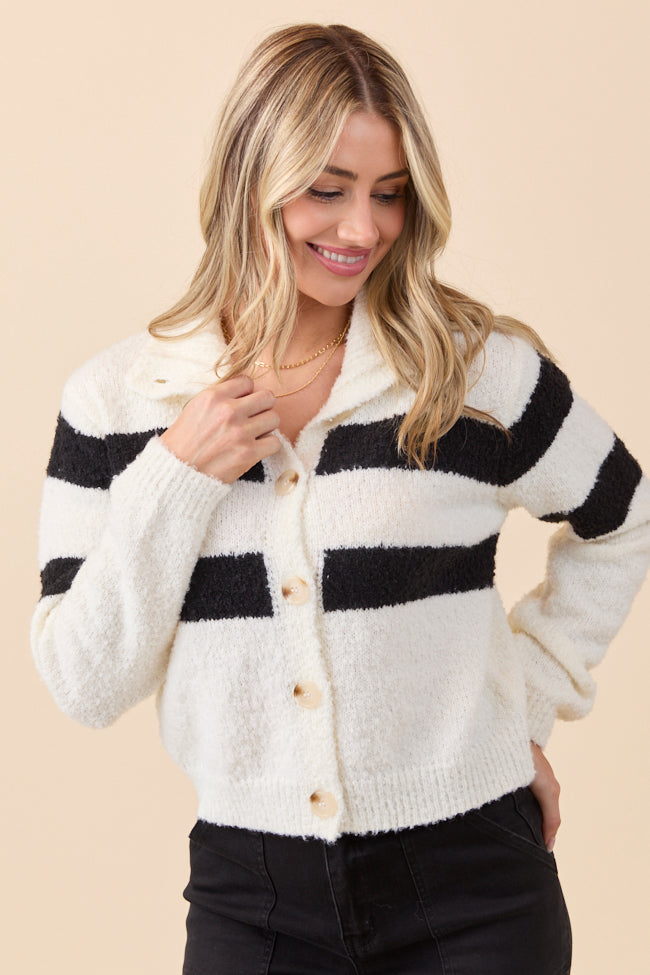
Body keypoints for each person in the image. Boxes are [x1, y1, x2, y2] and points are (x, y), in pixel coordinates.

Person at [31, 22, 650, 975]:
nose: (363, 229)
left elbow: (624, 516)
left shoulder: (470, 374)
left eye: (388, 193)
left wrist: (522, 704)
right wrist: (175, 475)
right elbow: (84, 681)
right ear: (249, 180)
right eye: (327, 190)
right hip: (253, 901)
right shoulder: (120, 403)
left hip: (477, 889)